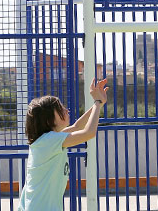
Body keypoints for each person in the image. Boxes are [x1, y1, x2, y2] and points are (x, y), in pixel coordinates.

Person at [17, 78, 109, 211]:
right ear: (49, 120)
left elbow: (77, 126)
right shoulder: (49, 141)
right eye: (60, 108)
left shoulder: (47, 140)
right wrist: (97, 102)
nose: (66, 110)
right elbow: (88, 133)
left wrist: (99, 104)